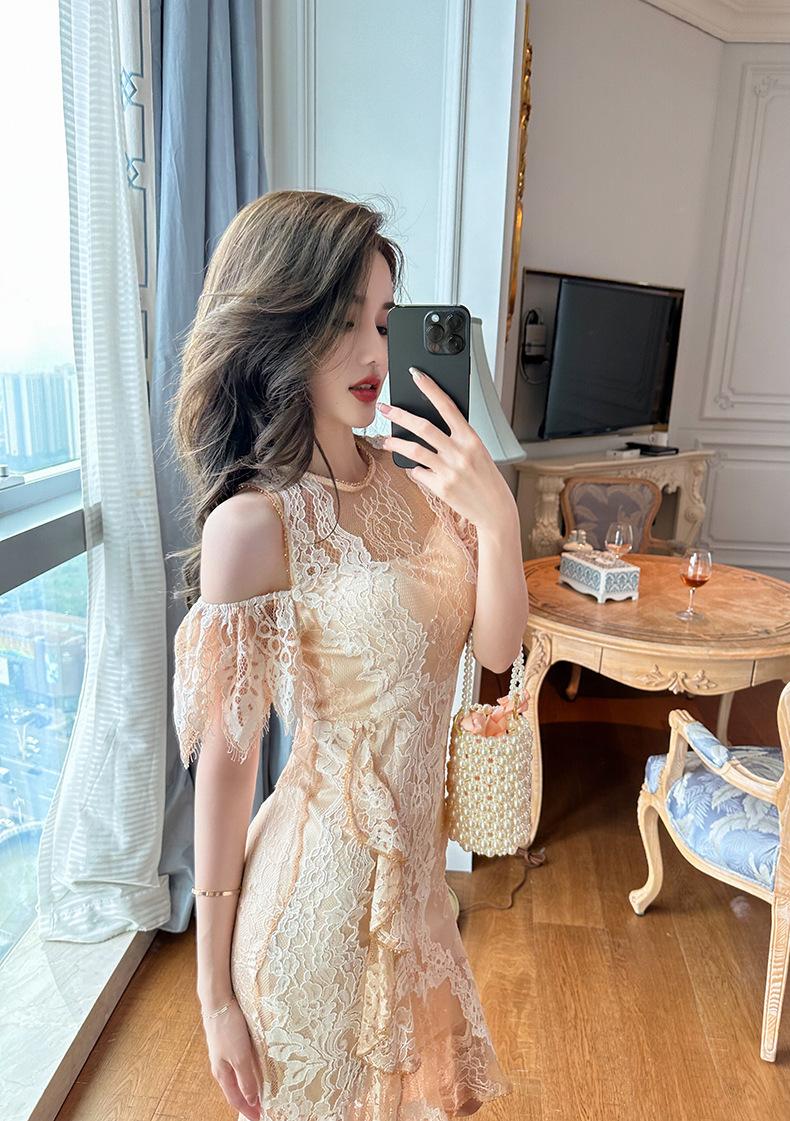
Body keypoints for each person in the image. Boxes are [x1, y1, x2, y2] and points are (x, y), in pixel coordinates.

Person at [170, 189, 529, 1120]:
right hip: (313, 911)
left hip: (418, 902)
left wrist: (496, 517)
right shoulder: (254, 525)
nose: (374, 355)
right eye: (343, 322)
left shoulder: (418, 481)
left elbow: (495, 649)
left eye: (383, 320)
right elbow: (228, 771)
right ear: (283, 323)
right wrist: (214, 996)